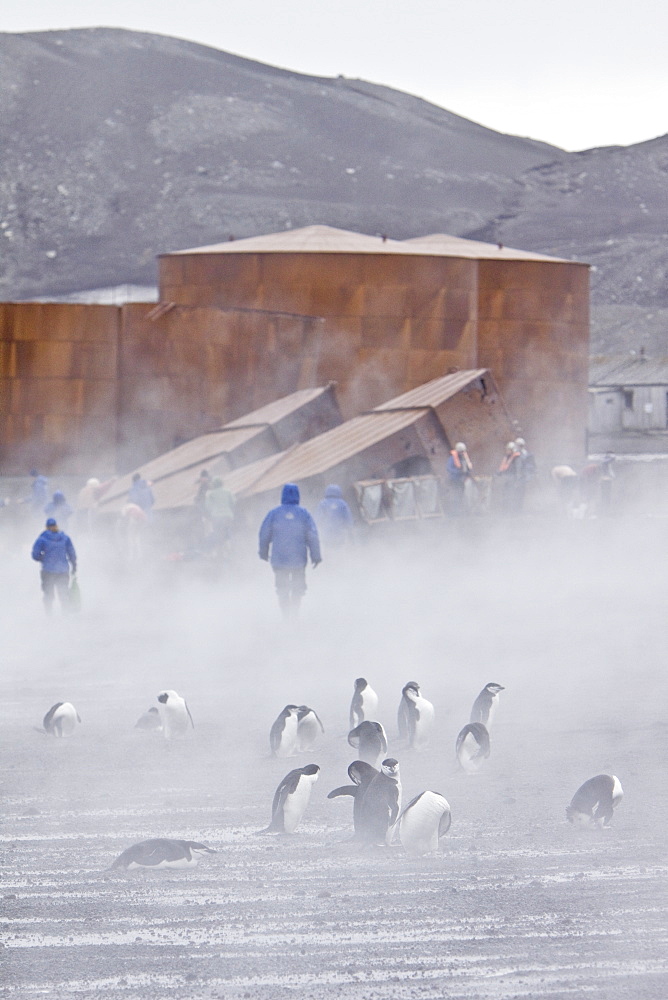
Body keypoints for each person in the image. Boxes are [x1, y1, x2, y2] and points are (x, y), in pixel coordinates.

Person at [258, 483, 321, 618]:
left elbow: (264, 534)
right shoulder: (304, 514)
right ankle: (295, 613)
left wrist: (263, 552)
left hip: (279, 560)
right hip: (298, 560)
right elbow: (312, 535)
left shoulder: (274, 514)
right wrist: (316, 556)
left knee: (282, 588)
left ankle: (286, 615)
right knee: (298, 588)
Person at [31, 517, 77, 614]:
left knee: (48, 594)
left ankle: (49, 614)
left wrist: (43, 558)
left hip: (48, 571)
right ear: (56, 526)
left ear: (47, 527)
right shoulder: (65, 538)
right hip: (63, 570)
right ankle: (66, 615)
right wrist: (74, 565)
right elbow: (71, 553)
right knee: (63, 593)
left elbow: (35, 555)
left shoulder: (42, 539)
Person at [315, 484, 354, 548]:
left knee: (328, 550)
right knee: (338, 550)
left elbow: (318, 519)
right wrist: (350, 532)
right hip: (339, 533)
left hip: (326, 534)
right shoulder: (343, 504)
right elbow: (348, 519)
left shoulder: (322, 503)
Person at [204, 477, 235, 552]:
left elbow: (208, 506)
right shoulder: (228, 491)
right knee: (227, 532)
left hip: (216, 517)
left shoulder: (210, 494)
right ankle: (229, 550)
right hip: (228, 516)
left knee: (218, 533)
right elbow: (233, 502)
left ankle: (220, 551)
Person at [446, 442, 473, 515]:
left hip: (463, 480)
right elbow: (449, 468)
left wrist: (467, 473)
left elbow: (468, 468)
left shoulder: (465, 458)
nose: (462, 453)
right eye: (461, 451)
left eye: (463, 451)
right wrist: (457, 472)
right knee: (456, 495)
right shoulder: (452, 458)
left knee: (463, 494)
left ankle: (463, 510)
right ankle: (455, 511)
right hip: (454, 480)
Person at [496, 441, 522, 514]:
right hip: (507, 478)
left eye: (508, 450)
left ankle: (512, 511)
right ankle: (505, 510)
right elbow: (504, 468)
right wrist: (498, 473)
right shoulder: (507, 457)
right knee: (505, 494)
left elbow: (518, 470)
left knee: (511, 494)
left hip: (513, 479)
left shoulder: (517, 459)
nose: (507, 451)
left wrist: (517, 480)